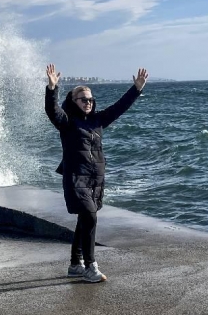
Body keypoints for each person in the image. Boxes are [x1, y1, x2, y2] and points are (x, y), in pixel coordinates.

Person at [44, 64, 149, 283]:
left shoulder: (98, 121)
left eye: (91, 99)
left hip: (96, 179)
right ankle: (91, 266)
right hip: (76, 178)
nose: (88, 102)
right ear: (74, 102)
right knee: (90, 217)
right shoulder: (67, 123)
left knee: (85, 220)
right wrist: (52, 89)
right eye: (83, 99)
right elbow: (52, 111)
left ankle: (75, 264)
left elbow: (119, 107)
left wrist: (136, 89)